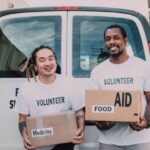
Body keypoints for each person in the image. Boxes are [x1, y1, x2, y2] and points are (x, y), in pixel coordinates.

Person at [90, 24, 150, 150]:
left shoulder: (142, 66)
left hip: (139, 140)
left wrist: (145, 122)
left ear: (125, 41)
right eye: (108, 39)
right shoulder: (97, 71)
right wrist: (102, 124)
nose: (112, 42)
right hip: (108, 141)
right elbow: (94, 107)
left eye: (116, 38)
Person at [14, 45, 85, 150]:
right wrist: (25, 136)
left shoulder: (70, 83)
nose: (48, 63)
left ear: (55, 62)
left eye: (51, 59)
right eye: (42, 60)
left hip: (65, 143)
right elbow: (22, 119)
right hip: (39, 144)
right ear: (35, 66)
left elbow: (79, 112)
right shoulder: (26, 88)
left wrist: (81, 130)